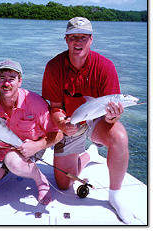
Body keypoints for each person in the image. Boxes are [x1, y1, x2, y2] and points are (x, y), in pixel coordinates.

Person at [42, 17, 135, 223]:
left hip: (96, 120)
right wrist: (62, 124)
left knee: (119, 135)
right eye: (73, 37)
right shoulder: (54, 66)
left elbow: (113, 114)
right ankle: (87, 155)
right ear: (66, 39)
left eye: (83, 37)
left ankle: (115, 196)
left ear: (91, 40)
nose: (78, 42)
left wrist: (113, 116)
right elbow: (55, 107)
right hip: (71, 121)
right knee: (64, 183)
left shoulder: (105, 66)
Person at [0, 58, 63, 205]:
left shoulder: (35, 102)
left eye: (12, 79)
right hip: (0, 151)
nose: (6, 83)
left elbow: (58, 133)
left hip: (30, 149)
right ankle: (7, 170)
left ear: (20, 81)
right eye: (2, 78)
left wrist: (37, 146)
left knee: (13, 160)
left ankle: (40, 179)